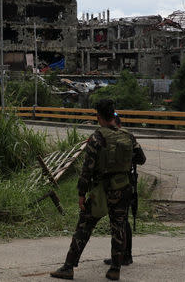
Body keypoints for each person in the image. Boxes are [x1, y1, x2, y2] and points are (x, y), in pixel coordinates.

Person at [50, 99, 146, 281]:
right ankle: (115, 269)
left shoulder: (97, 138)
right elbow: (141, 159)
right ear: (114, 114)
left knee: (85, 226)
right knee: (119, 227)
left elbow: (87, 169)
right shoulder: (128, 135)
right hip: (124, 187)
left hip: (102, 190)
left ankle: (68, 267)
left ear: (98, 116)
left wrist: (81, 194)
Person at [103, 113, 146, 267]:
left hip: (121, 184)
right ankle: (122, 255)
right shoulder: (126, 137)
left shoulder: (123, 137)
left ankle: (123, 256)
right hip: (123, 184)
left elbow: (141, 159)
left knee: (121, 221)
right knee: (121, 220)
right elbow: (141, 158)